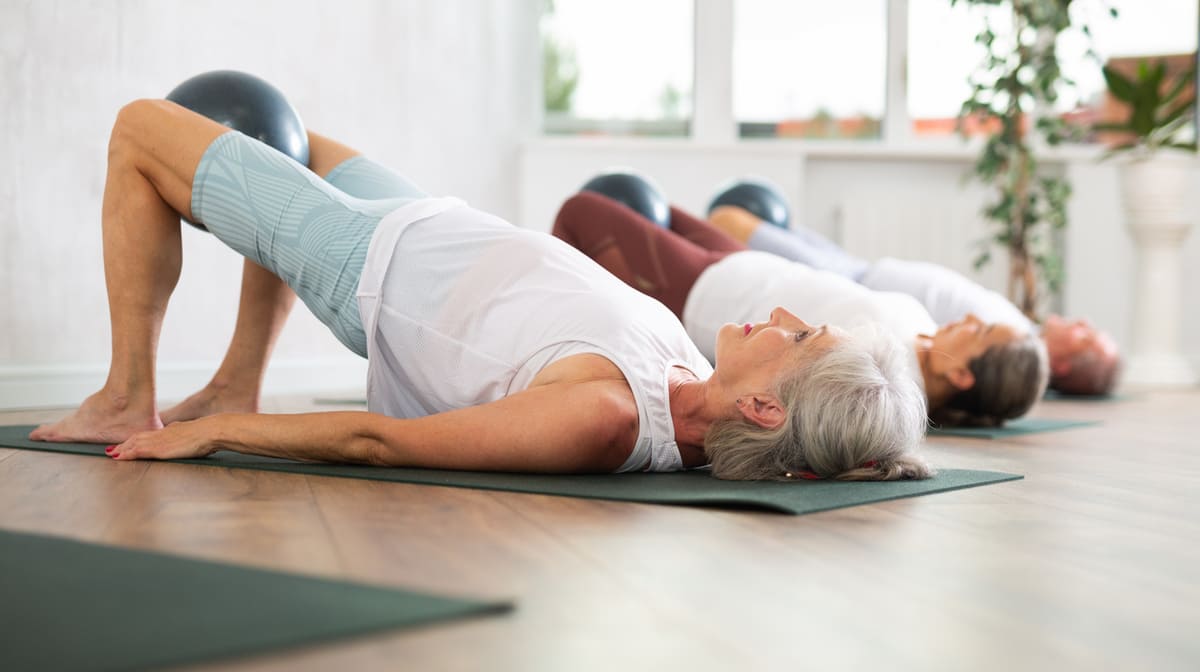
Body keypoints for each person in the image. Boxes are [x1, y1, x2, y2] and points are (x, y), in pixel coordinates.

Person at [29, 98, 931, 481]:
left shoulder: (607, 419)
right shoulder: (689, 377)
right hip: (426, 219)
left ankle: (125, 398)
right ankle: (234, 373)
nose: (779, 317)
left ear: (768, 410)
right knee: (295, 132)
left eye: (801, 337)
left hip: (367, 265)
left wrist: (217, 434)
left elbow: (380, 442)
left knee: (141, 129)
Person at [553, 191, 1048, 428]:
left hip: (710, 293)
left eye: (979, 332)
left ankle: (554, 336)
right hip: (751, 264)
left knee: (584, 211)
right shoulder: (922, 336)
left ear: (962, 374)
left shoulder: (882, 377)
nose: (969, 319)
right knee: (655, 203)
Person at [709, 204, 1120, 396]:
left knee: (731, 222)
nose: (1083, 320)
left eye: (1086, 337)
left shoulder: (1007, 346)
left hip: (844, 283)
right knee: (738, 228)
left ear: (1061, 364)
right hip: (860, 272)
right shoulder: (1016, 331)